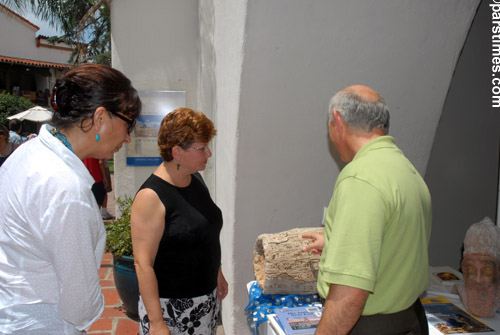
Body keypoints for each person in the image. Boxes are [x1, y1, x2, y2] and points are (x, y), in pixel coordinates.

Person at [0, 63, 141, 334]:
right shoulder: (65, 189)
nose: (127, 138)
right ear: (100, 118)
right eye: (128, 123)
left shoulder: (27, 154)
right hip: (41, 323)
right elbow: (80, 306)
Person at [302, 85, 432, 335]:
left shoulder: (361, 179)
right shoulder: (407, 171)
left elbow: (351, 291)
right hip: (410, 319)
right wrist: (335, 242)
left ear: (337, 121)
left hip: (370, 325)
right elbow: (393, 244)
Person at [131, 107, 228, 335]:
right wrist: (156, 323)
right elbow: (143, 264)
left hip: (204, 302)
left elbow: (205, 231)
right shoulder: (151, 197)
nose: (208, 154)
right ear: (177, 152)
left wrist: (217, 271)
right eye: (202, 148)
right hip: (170, 311)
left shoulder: (195, 178)